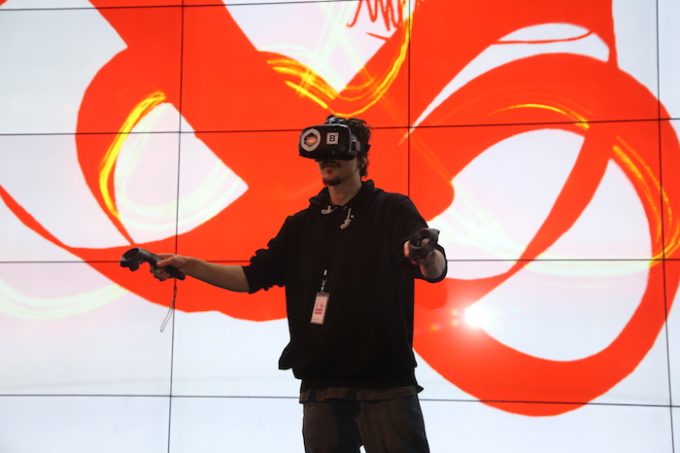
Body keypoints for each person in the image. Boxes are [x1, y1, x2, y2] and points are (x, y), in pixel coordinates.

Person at [152, 115, 447, 453]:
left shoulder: (391, 209)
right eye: (321, 152)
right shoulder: (301, 225)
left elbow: (435, 270)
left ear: (361, 157)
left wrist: (425, 254)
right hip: (321, 384)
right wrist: (187, 265)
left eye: (338, 149)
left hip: (385, 383)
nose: (328, 159)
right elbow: (250, 278)